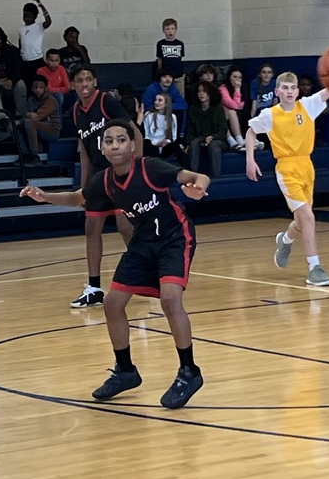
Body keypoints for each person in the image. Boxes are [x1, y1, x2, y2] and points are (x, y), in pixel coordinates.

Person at [20, 120, 211, 408]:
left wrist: (198, 187)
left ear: (132, 145)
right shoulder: (105, 180)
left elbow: (198, 176)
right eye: (109, 141)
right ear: (102, 148)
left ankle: (189, 371)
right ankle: (125, 370)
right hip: (142, 244)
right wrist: (44, 196)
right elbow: (76, 198)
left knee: (171, 300)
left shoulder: (151, 167)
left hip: (174, 238)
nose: (115, 145)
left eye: (121, 140)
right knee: (112, 304)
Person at [245, 71, 329, 287]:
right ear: (277, 91)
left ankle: (284, 241)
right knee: (308, 217)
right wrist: (250, 159)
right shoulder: (270, 114)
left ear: (297, 91)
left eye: (292, 88)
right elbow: (250, 132)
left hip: (307, 166)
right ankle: (315, 268)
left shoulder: (307, 106)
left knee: (301, 222)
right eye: (284, 88)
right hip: (286, 168)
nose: (288, 91)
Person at [68, 64, 134, 307]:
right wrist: (84, 186)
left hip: (119, 170)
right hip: (98, 173)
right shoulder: (76, 111)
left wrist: (135, 168)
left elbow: (133, 131)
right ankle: (94, 289)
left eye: (88, 79)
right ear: (73, 85)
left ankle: (147, 272)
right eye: (79, 81)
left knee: (125, 226)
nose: (84, 84)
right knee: (91, 226)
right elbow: (84, 150)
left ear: (94, 81)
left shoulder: (107, 102)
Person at [185, 81, 228, 179]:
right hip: (200, 139)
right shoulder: (193, 110)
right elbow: (190, 131)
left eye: (204, 91)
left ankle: (216, 177)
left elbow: (222, 130)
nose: (201, 93)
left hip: (217, 139)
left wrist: (213, 137)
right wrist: (188, 144)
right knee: (194, 143)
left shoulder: (218, 109)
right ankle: (193, 176)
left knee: (214, 145)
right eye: (199, 91)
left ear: (210, 93)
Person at [22, 75, 61, 163]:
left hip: (52, 129)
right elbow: (25, 113)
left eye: (41, 87)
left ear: (46, 88)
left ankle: (34, 155)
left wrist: (26, 115)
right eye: (36, 87)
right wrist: (26, 116)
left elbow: (36, 117)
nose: (38, 90)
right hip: (39, 127)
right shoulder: (31, 99)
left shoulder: (51, 100)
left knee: (29, 123)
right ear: (32, 88)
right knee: (16, 126)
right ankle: (24, 154)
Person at [143, 93, 188, 167]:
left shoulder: (172, 117)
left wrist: (166, 141)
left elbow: (173, 137)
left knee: (176, 146)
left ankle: (188, 170)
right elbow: (147, 135)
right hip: (153, 144)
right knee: (147, 144)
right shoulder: (148, 115)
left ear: (166, 104)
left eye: (160, 100)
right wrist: (156, 143)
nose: (156, 102)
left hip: (165, 146)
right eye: (156, 100)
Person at [18, 0, 52, 74]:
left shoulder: (39, 26)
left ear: (35, 16)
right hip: (25, 61)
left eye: (29, 16)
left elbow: (48, 21)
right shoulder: (21, 28)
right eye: (24, 15)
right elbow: (20, 43)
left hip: (37, 60)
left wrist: (41, 6)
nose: (26, 18)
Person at [219, 65, 249, 150]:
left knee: (243, 113)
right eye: (234, 77)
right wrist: (237, 89)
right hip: (222, 114)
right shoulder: (222, 88)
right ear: (229, 77)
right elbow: (235, 105)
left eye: (240, 77)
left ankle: (246, 140)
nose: (237, 79)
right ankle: (235, 141)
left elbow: (243, 105)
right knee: (232, 111)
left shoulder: (244, 88)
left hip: (237, 114)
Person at [156, 17, 186, 95]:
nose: (170, 31)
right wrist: (160, 71)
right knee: (166, 96)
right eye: (167, 29)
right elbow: (160, 58)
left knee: (180, 96)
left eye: (172, 28)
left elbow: (180, 58)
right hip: (166, 76)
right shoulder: (160, 43)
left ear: (176, 30)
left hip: (178, 75)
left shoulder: (180, 43)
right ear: (163, 31)